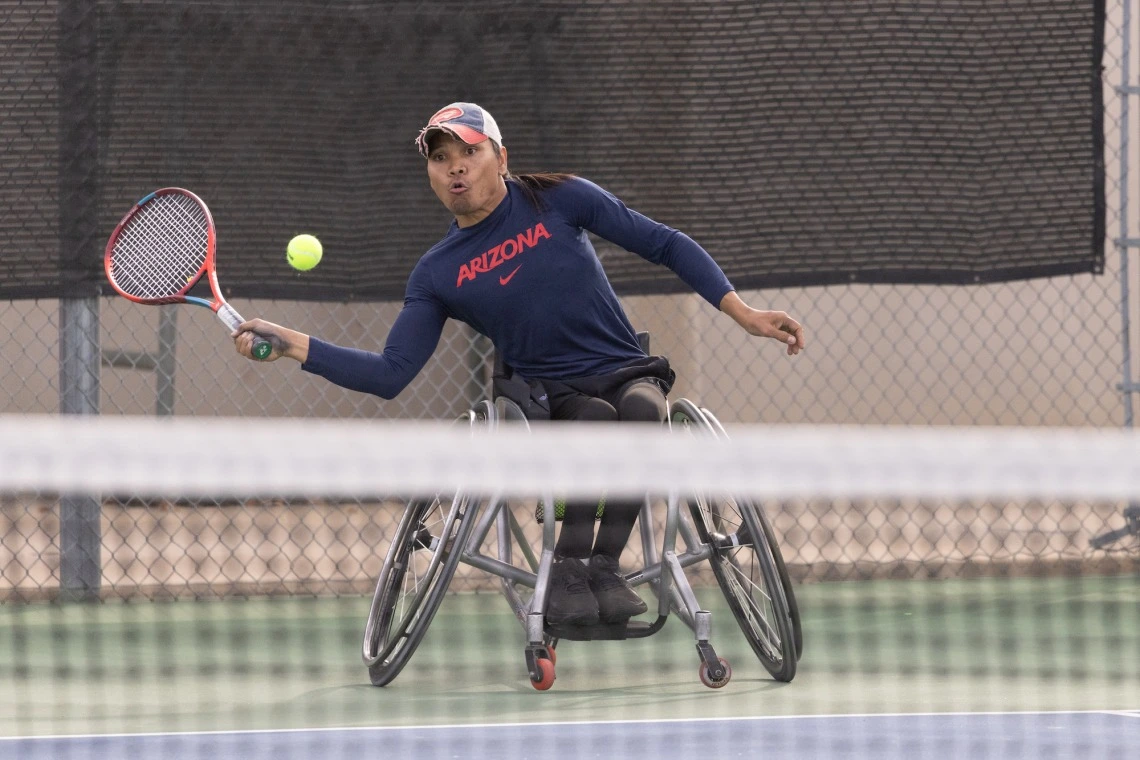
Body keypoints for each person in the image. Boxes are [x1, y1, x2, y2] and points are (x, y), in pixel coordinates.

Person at [234, 102, 806, 627]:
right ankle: (566, 571)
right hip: (548, 393)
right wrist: (292, 344)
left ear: (501, 157)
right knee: (595, 425)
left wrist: (741, 311)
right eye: (440, 159)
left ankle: (603, 566)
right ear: (431, 173)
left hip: (624, 365)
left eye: (469, 152)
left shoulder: (560, 198)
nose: (455, 168)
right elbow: (391, 373)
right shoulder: (437, 273)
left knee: (643, 415)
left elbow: (665, 244)